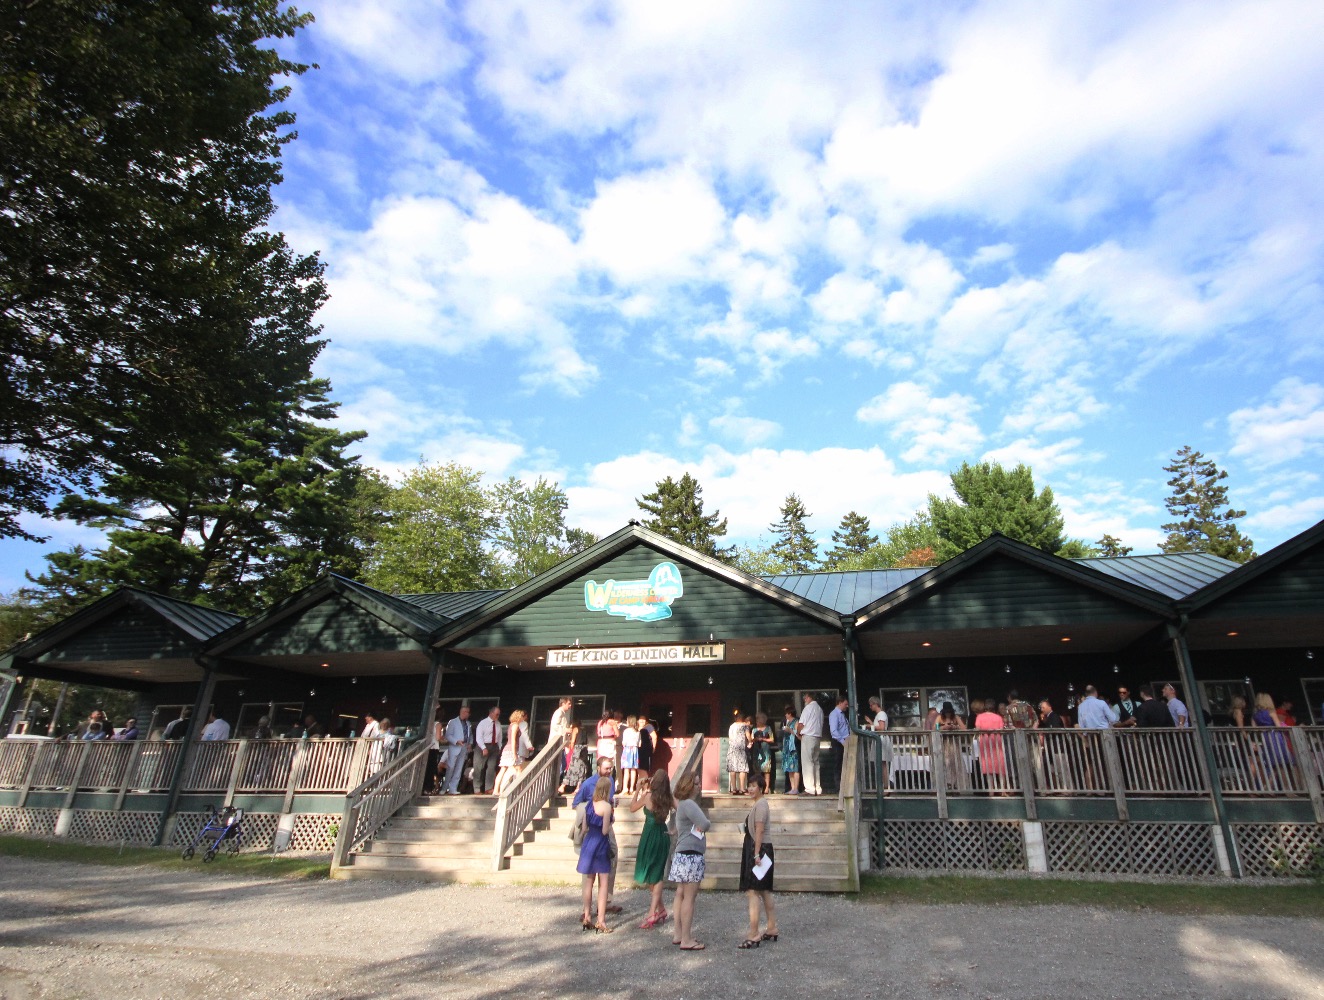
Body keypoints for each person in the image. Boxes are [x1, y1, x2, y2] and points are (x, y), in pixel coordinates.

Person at [572, 757, 621, 914]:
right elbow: (576, 803)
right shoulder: (587, 784)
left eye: (611, 768)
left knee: (612, 857)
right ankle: (587, 908)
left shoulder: (611, 781)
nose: (609, 771)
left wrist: (611, 805)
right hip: (594, 826)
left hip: (607, 823)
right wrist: (591, 810)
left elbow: (609, 800)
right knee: (589, 872)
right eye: (606, 768)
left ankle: (606, 901)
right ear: (598, 767)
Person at [668, 772, 710, 950]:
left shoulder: (681, 806)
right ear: (689, 786)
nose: (699, 787)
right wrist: (704, 823)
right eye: (697, 784)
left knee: (681, 893)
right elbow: (705, 823)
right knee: (690, 898)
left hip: (682, 853)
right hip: (691, 854)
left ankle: (678, 933)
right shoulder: (690, 804)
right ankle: (686, 938)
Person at [630, 768, 674, 929]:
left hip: (649, 834)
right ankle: (661, 909)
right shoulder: (668, 798)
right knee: (653, 872)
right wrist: (675, 828)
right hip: (661, 834)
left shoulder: (647, 796)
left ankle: (651, 912)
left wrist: (637, 790)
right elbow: (680, 808)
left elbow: (632, 807)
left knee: (654, 874)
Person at [738, 777, 777, 949]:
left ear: (761, 788)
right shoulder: (758, 804)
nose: (750, 788)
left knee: (753, 891)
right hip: (760, 849)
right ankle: (772, 927)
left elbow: (759, 830)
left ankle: (754, 933)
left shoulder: (761, 805)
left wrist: (756, 854)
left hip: (759, 849)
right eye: (749, 785)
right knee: (764, 891)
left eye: (754, 786)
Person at [578, 778, 615, 933]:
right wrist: (612, 819)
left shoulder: (589, 805)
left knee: (588, 882)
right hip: (600, 844)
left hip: (589, 843)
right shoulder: (606, 806)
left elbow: (585, 827)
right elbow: (605, 830)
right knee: (603, 883)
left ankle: (587, 916)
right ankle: (601, 920)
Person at [493, 709, 531, 797]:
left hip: (507, 749)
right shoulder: (515, 726)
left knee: (503, 769)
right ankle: (518, 789)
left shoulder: (511, 725)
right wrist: (514, 753)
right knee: (518, 768)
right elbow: (513, 740)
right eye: (521, 717)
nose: (523, 719)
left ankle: (496, 790)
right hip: (511, 750)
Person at [974, 699, 1008, 795]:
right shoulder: (998, 717)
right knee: (1000, 765)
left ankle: (991, 790)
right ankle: (1002, 790)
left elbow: (977, 729)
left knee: (988, 767)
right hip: (997, 742)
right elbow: (1001, 729)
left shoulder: (980, 717)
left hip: (985, 743)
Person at [935, 701, 968, 792]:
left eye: (949, 712)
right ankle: (948, 783)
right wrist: (943, 727)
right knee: (947, 762)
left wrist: (955, 727)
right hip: (944, 743)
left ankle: (955, 783)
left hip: (954, 743)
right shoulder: (939, 718)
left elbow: (964, 728)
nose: (948, 714)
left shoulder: (956, 717)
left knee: (955, 763)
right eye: (946, 712)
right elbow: (935, 728)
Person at [797, 693, 824, 796]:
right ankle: (817, 787)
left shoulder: (808, 708)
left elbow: (801, 724)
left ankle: (809, 789)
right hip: (817, 737)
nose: (804, 700)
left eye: (805, 698)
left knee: (807, 762)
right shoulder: (820, 709)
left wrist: (798, 732)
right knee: (815, 762)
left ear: (809, 698)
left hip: (808, 736)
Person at [442, 705, 472, 795]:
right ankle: (444, 788)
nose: (469, 714)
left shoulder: (468, 723)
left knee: (459, 768)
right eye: (467, 712)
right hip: (454, 747)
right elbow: (448, 735)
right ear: (463, 712)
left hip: (464, 747)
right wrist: (456, 741)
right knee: (450, 767)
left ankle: (453, 788)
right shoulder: (453, 722)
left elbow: (470, 735)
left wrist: (470, 743)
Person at [474, 706, 503, 795]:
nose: (498, 716)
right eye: (496, 714)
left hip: (494, 746)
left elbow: (499, 737)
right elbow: (479, 737)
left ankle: (489, 788)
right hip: (483, 745)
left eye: (499, 715)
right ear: (491, 713)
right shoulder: (483, 723)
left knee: (491, 767)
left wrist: (499, 747)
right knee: (479, 767)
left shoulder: (498, 724)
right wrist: (483, 748)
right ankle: (477, 789)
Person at [868, 696, 892, 792]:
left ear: (875, 704)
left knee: (883, 764)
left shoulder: (881, 713)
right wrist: (871, 722)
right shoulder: (879, 715)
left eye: (871, 705)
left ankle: (886, 786)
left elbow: (881, 727)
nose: (870, 707)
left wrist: (870, 726)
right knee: (881, 764)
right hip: (879, 739)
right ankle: (884, 786)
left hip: (881, 740)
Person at [829, 695, 850, 788]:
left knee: (845, 763)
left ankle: (845, 784)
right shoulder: (834, 714)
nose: (847, 706)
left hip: (845, 741)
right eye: (845, 704)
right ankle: (839, 787)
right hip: (838, 742)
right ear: (840, 703)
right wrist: (843, 742)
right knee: (838, 763)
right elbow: (834, 731)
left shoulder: (842, 714)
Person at [750, 712, 774, 793]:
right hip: (757, 751)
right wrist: (755, 739)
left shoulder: (768, 728)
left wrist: (763, 739)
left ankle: (766, 788)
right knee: (757, 771)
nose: (757, 721)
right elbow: (751, 740)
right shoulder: (754, 729)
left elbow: (772, 739)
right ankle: (758, 788)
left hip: (765, 750)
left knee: (766, 770)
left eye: (758, 719)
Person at [727, 713, 750, 795]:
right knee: (742, 768)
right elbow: (748, 735)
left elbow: (730, 737)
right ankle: (742, 788)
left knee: (733, 768)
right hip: (741, 749)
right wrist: (750, 741)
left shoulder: (732, 726)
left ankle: (734, 789)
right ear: (742, 718)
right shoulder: (744, 725)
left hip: (732, 749)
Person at [780, 706, 801, 795]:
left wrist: (790, 730)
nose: (785, 715)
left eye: (786, 713)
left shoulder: (796, 722)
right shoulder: (787, 722)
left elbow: (798, 734)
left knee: (795, 767)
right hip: (787, 748)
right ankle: (792, 788)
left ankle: (796, 788)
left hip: (793, 748)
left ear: (790, 713)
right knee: (789, 768)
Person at [620, 715, 641, 794]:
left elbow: (624, 742)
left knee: (626, 770)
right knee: (633, 770)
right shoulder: (637, 732)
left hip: (628, 750)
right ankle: (632, 788)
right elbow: (639, 744)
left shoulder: (626, 731)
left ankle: (625, 788)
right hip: (635, 750)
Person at [637, 713, 656, 778]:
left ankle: (645, 785)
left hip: (645, 750)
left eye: (644, 719)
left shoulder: (649, 726)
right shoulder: (636, 727)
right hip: (637, 750)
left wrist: (653, 748)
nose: (642, 721)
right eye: (640, 719)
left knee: (643, 769)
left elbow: (654, 737)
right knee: (638, 769)